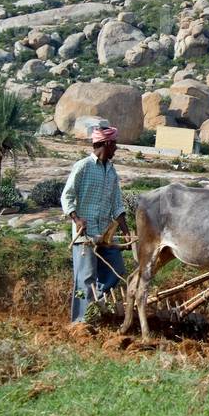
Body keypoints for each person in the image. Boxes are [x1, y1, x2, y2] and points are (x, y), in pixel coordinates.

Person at [60, 126, 131, 324]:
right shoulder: (83, 167)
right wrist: (76, 219)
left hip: (105, 235)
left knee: (116, 270)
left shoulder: (112, 171)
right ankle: (81, 322)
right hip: (85, 235)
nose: (116, 148)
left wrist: (126, 231)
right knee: (85, 279)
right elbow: (67, 196)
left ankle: (95, 307)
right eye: (114, 144)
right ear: (106, 143)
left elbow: (117, 204)